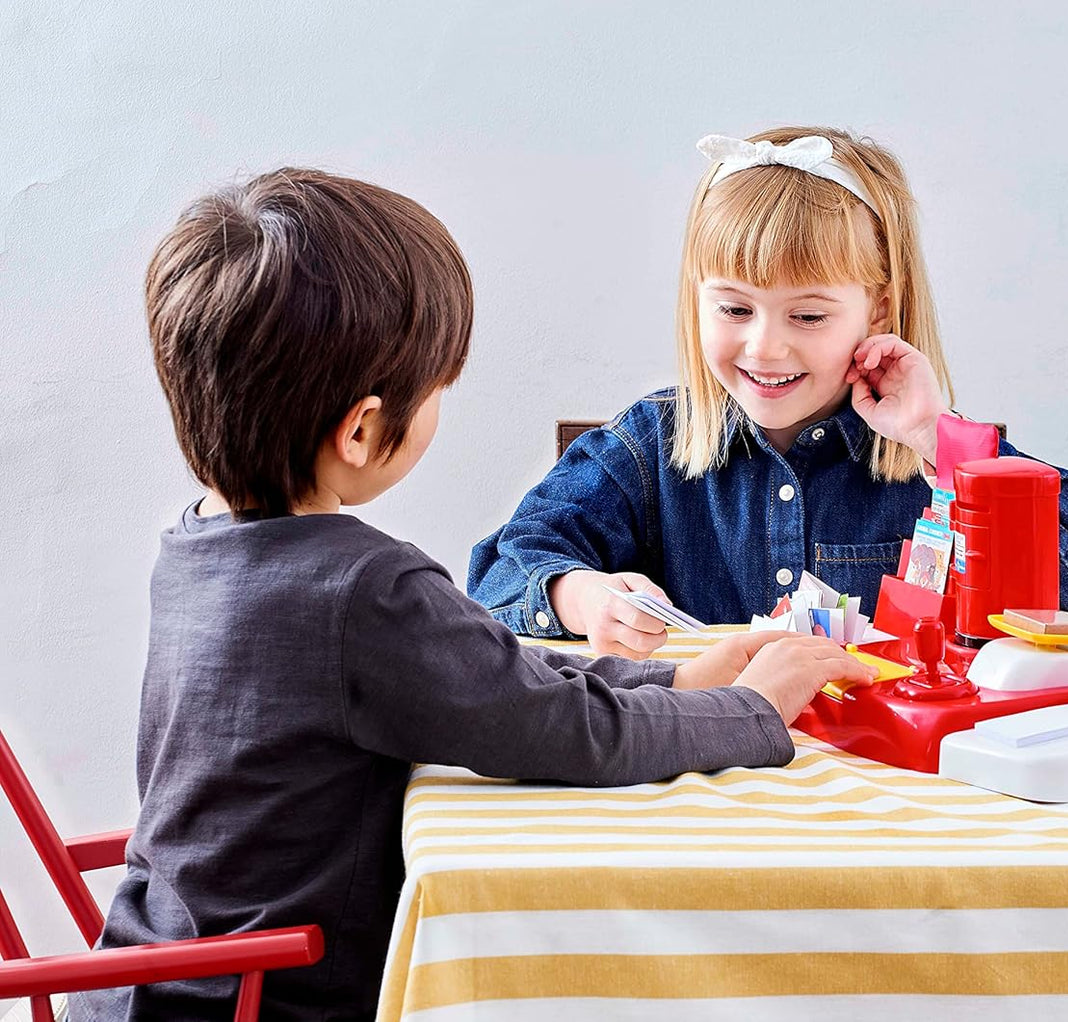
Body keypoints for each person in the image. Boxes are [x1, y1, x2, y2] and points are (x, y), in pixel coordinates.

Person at [69, 169, 871, 1022]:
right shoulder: (362, 589)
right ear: (364, 429)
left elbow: (491, 679)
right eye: (437, 389)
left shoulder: (199, 543)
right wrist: (751, 710)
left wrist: (675, 683)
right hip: (259, 998)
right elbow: (564, 734)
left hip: (151, 974)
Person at [469, 127, 1068, 658]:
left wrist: (940, 442)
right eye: (735, 309)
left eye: (807, 317)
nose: (765, 347)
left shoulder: (931, 452)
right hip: (703, 775)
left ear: (879, 309)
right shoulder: (648, 448)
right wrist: (582, 597)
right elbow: (500, 571)